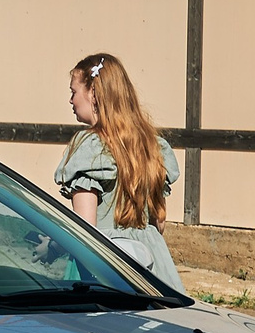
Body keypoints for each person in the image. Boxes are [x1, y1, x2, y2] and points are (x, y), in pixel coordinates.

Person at [56, 51, 183, 288]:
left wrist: (55, 246)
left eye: (73, 92)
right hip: (153, 263)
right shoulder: (151, 145)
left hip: (106, 264)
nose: (71, 100)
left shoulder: (89, 147)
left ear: (93, 94)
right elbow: (159, 223)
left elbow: (85, 228)